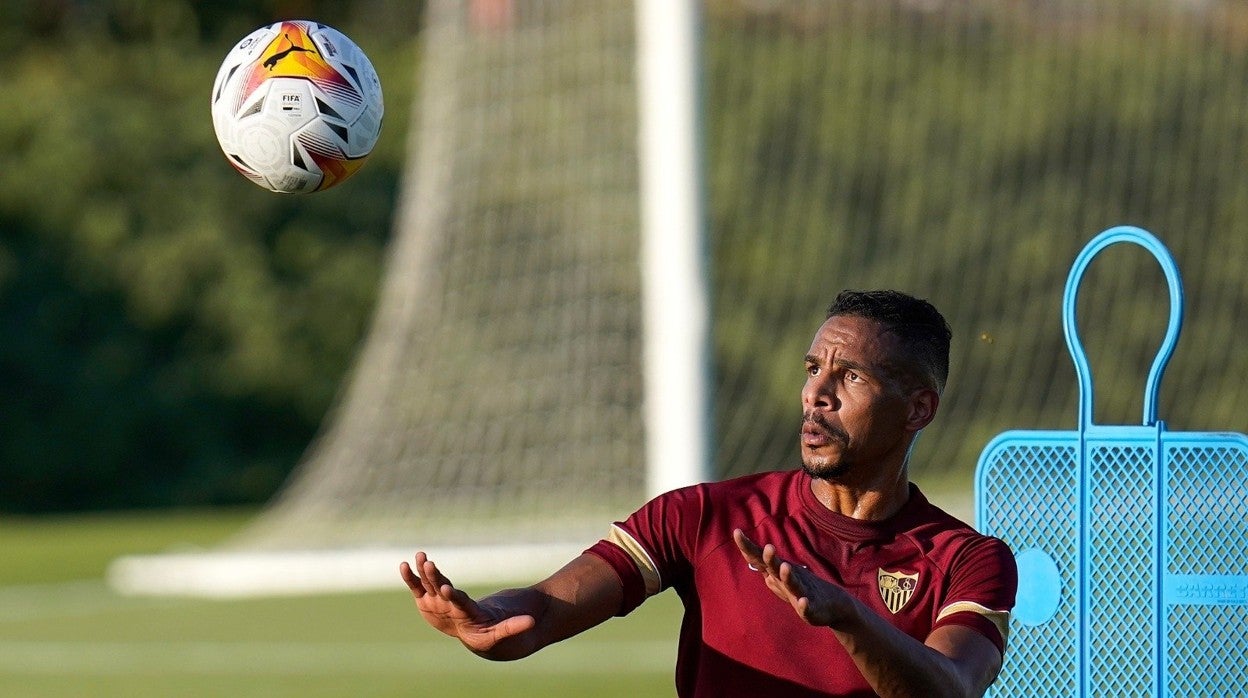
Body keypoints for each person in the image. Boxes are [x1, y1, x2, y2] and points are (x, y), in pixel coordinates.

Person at [400, 289, 1017, 697]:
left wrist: (847, 616)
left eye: (850, 375)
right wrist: (490, 618)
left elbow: (953, 687)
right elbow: (547, 607)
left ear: (919, 408)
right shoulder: (704, 516)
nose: (816, 394)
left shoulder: (969, 560)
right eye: (812, 370)